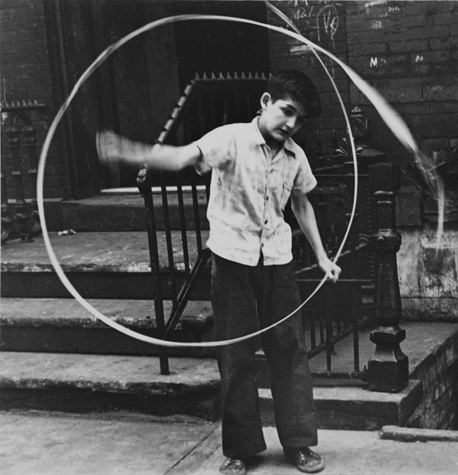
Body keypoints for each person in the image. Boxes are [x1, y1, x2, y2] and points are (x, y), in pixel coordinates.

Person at [96, 69, 341, 475]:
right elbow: (179, 157)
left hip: (277, 260)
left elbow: (301, 205)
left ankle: (299, 443)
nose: (292, 124)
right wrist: (128, 151)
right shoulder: (229, 139)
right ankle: (241, 449)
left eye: (300, 119)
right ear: (266, 102)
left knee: (289, 350)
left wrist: (321, 257)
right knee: (236, 354)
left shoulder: (296, 156)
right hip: (231, 260)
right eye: (287, 111)